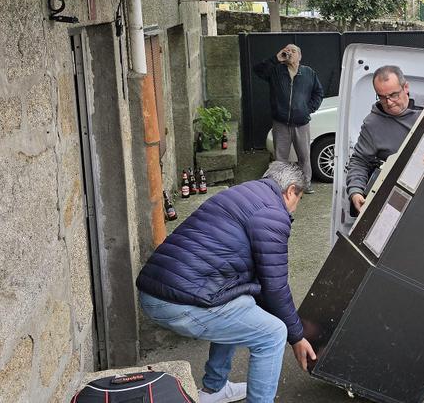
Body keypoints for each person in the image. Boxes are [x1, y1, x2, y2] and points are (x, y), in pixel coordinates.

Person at [135, 162, 317, 403]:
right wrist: (296, 336)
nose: (295, 208)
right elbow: (275, 286)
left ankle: (215, 389)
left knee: (241, 304)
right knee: (272, 334)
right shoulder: (273, 213)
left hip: (163, 289)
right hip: (174, 301)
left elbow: (261, 281)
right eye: (299, 198)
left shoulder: (246, 193)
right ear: (291, 190)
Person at [347, 65, 421, 212]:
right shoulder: (372, 124)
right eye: (382, 97)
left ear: (405, 87)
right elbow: (360, 161)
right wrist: (355, 191)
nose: (389, 102)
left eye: (393, 95)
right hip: (395, 197)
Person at [254, 44, 324, 193]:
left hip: (301, 123)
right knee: (280, 158)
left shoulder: (308, 73)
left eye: (293, 51)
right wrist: (275, 59)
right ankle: (280, 185)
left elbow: (318, 93)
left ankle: (305, 184)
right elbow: (258, 70)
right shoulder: (276, 71)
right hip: (281, 123)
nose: (289, 53)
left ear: (300, 56)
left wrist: (308, 110)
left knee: (304, 156)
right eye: (287, 50)